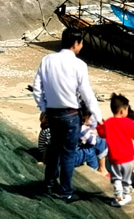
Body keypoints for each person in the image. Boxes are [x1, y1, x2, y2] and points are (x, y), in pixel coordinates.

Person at [33, 28, 103, 202]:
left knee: (54, 150)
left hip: (53, 113)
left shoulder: (47, 60)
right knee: (68, 154)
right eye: (81, 43)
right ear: (76, 43)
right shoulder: (79, 65)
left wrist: (44, 107)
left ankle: (48, 186)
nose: (82, 46)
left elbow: (37, 88)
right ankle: (65, 191)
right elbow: (87, 94)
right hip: (71, 115)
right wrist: (98, 117)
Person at [97, 93, 134, 207]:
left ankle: (118, 197)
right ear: (122, 111)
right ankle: (126, 195)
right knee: (126, 178)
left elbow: (101, 134)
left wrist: (99, 126)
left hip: (114, 159)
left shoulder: (108, 123)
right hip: (127, 158)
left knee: (116, 178)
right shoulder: (128, 122)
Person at [73, 108, 110, 177]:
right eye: (87, 119)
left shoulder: (73, 124)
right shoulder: (81, 128)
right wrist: (94, 133)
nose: (88, 122)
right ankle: (98, 170)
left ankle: (97, 170)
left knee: (91, 149)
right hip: (72, 157)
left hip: (65, 155)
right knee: (91, 150)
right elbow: (93, 141)